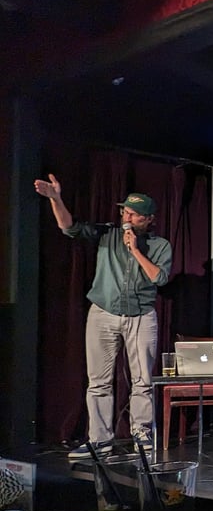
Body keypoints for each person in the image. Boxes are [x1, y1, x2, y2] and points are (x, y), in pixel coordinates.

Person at [35, 174, 172, 457]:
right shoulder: (107, 233)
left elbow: (159, 278)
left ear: (148, 220)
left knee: (143, 380)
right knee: (99, 381)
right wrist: (55, 198)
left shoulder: (160, 246)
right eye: (124, 211)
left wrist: (135, 250)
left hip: (141, 316)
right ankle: (100, 440)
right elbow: (68, 227)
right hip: (103, 313)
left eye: (133, 214)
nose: (126, 217)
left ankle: (141, 434)